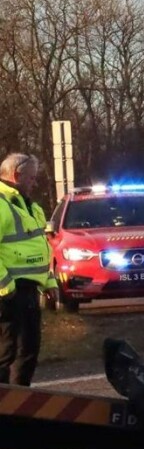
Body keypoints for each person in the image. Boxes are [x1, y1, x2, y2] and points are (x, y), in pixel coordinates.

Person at [0, 153, 58, 386]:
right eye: (32, 178)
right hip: (8, 292)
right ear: (17, 175)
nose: (35, 183)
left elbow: (42, 249)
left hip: (28, 291)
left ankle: (20, 405)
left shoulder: (31, 207)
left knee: (28, 351)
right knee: (6, 352)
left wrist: (49, 283)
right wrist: (5, 286)